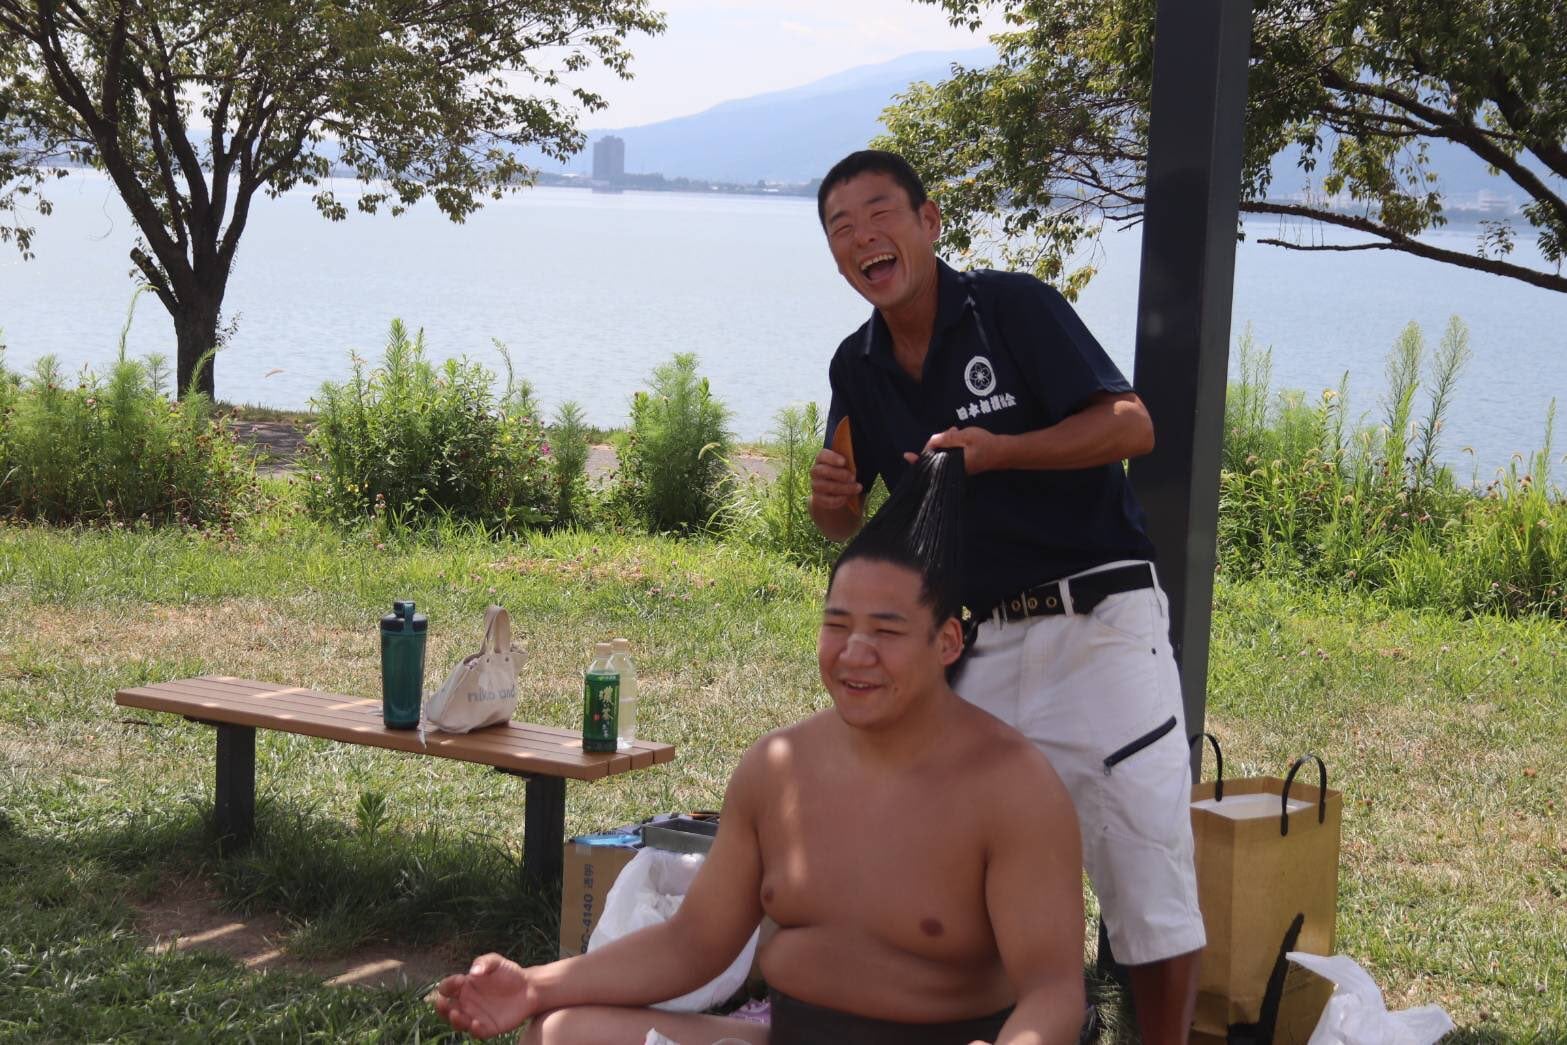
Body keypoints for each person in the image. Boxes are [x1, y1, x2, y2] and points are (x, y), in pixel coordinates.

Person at [434, 452, 1087, 1044]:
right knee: (563, 1032)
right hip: (789, 1034)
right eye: (837, 624)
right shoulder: (778, 767)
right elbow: (694, 942)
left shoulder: (1011, 786)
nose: (854, 653)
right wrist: (536, 985)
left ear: (947, 642)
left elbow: (1053, 992)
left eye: (886, 632)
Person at [808, 149, 1205, 1044]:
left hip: (1097, 617)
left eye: (880, 213)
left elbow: (1131, 425)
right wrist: (829, 503)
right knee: (950, 862)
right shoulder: (857, 364)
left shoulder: (1012, 306)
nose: (863, 237)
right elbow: (844, 515)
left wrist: (1003, 451)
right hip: (973, 642)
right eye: (840, 227)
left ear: (928, 221)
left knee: (1143, 857)